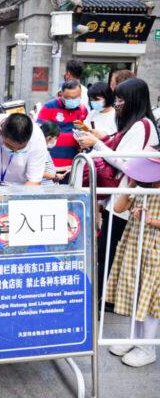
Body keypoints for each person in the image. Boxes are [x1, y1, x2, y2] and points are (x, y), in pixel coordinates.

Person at [76, 78, 159, 303]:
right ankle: (102, 299)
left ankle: (102, 300)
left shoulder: (143, 126)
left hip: (127, 198)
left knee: (108, 252)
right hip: (119, 197)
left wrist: (97, 145)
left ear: (132, 100)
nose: (118, 104)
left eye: (121, 99)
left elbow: (127, 163)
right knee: (106, 250)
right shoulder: (136, 125)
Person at [105, 145, 160, 367]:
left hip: (155, 248)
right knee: (137, 292)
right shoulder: (139, 184)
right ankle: (135, 339)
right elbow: (118, 207)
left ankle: (148, 347)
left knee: (152, 298)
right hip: (137, 243)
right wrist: (131, 184)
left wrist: (151, 220)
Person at [0, 113, 47, 186]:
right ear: (0, 132)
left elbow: (33, 181)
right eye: (9, 146)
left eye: (20, 149)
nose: (14, 151)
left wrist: (16, 197)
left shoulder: (37, 140)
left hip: (22, 186)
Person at [37, 79, 88, 170]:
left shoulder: (82, 110)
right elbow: (38, 133)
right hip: (51, 164)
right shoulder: (49, 107)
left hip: (73, 164)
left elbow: (85, 131)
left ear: (80, 95)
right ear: (61, 95)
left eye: (75, 97)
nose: (72, 100)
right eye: (68, 98)